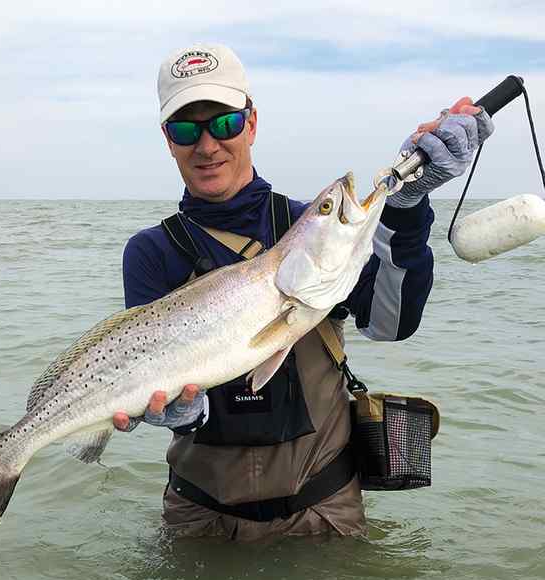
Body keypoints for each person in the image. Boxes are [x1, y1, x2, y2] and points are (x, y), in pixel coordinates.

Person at [113, 44, 493, 541]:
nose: (207, 145)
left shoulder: (305, 228)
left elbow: (391, 325)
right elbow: (148, 380)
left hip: (325, 506)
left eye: (224, 123)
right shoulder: (150, 252)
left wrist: (407, 207)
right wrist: (178, 415)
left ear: (251, 124)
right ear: (169, 140)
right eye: (187, 129)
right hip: (199, 516)